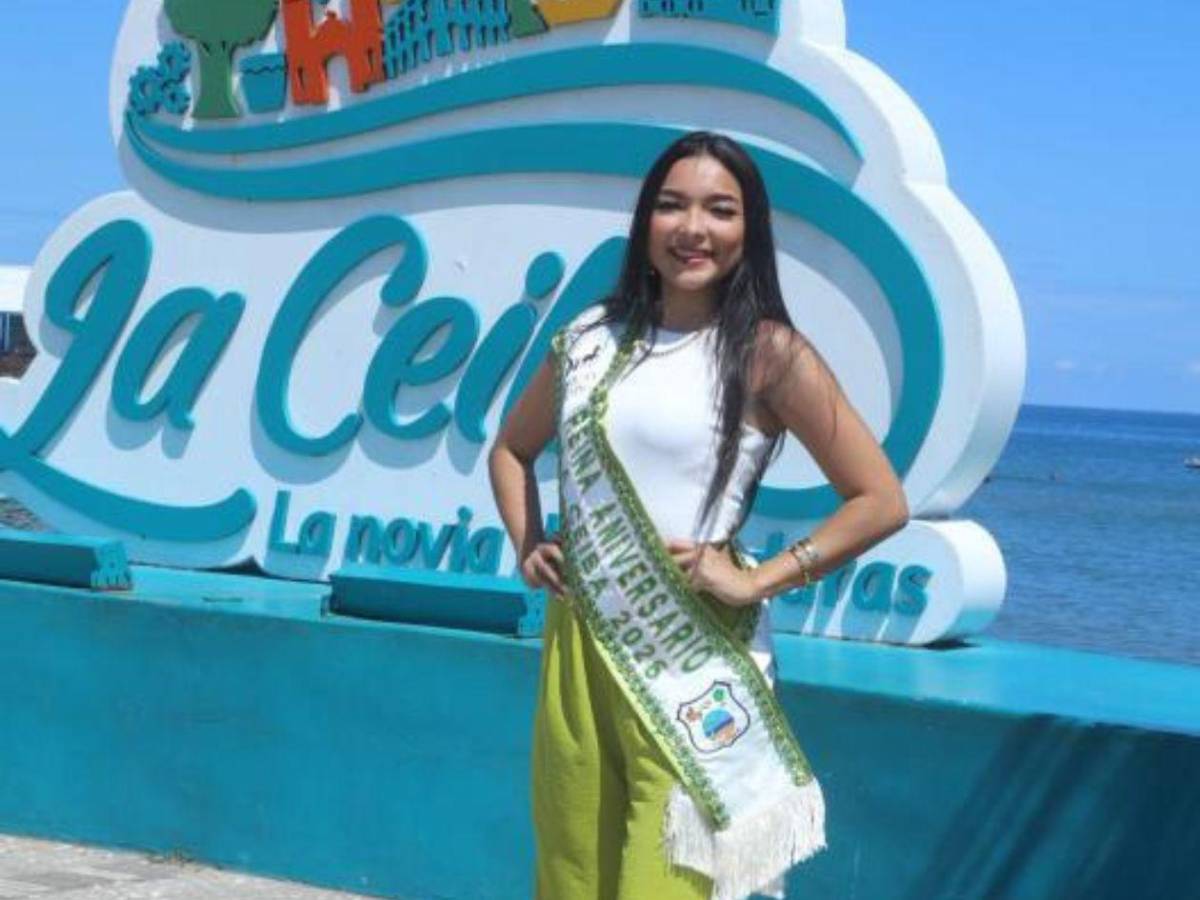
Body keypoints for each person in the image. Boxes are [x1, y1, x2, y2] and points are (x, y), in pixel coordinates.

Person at [487, 131, 909, 900]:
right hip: (581, 641)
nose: (693, 229)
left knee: (673, 881)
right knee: (571, 874)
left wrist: (762, 581)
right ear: (645, 221)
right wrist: (529, 542)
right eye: (672, 206)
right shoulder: (587, 339)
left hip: (694, 658)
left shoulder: (767, 353)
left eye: (720, 210)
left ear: (749, 232)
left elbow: (880, 500)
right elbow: (511, 451)